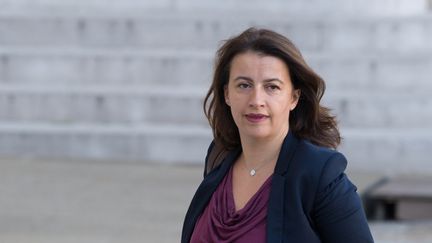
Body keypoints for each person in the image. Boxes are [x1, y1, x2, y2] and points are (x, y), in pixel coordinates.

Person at [181, 27, 374, 243]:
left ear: (293, 98)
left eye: (272, 87)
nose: (256, 100)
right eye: (244, 85)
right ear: (227, 94)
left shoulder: (319, 174)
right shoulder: (220, 155)